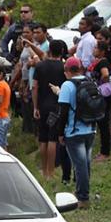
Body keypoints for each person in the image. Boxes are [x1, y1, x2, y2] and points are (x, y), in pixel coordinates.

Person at [57, 57, 96, 208]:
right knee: (85, 164)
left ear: (67, 71)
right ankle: (83, 192)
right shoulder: (89, 81)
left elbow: (63, 112)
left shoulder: (67, 85)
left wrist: (60, 133)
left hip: (74, 132)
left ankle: (83, 198)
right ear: (79, 69)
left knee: (80, 166)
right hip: (90, 129)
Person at [32, 40, 66, 178]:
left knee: (43, 138)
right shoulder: (64, 67)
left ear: (49, 50)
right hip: (57, 106)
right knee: (53, 139)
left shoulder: (40, 66)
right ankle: (51, 172)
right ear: (62, 51)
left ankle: (44, 170)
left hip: (42, 105)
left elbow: (34, 86)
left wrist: (35, 106)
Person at [89, 42, 111, 161]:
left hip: (104, 95)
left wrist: (100, 84)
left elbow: (105, 74)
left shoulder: (103, 62)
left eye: (96, 48)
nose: (93, 50)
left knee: (104, 123)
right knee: (102, 123)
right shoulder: (98, 61)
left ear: (102, 51)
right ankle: (103, 150)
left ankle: (105, 152)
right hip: (101, 95)